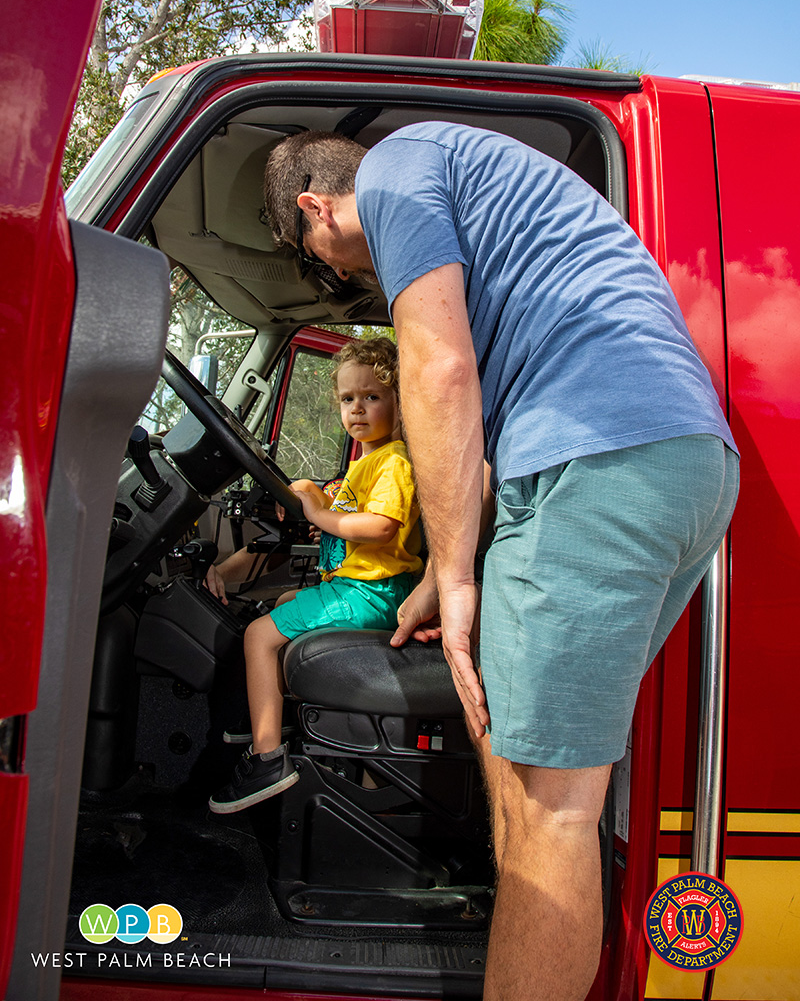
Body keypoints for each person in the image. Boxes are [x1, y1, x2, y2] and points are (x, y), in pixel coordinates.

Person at [260, 123, 740, 1001]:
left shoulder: (399, 170)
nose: (339, 275)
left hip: (595, 464)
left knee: (552, 812)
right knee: (528, 783)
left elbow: (439, 373)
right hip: (660, 461)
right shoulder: (473, 187)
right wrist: (443, 572)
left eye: (319, 258)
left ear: (315, 209)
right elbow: (471, 441)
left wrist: (457, 575)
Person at [208, 336, 422, 814]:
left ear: (399, 401)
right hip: (363, 589)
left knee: (258, 636)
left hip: (371, 593)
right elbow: (338, 503)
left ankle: (265, 759)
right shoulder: (364, 465)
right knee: (283, 604)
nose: (358, 409)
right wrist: (308, 493)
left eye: (372, 396)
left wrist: (318, 514)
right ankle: (274, 717)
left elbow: (379, 526)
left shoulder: (395, 462)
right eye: (349, 399)